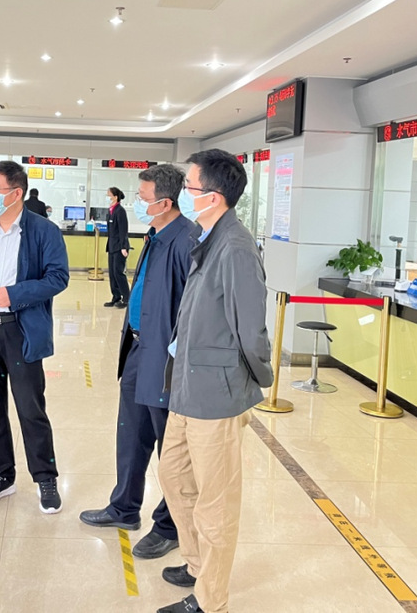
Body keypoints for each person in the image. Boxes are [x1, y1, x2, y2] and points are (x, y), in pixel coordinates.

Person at [157, 149, 273, 613]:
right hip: (187, 385)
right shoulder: (208, 237)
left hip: (216, 393)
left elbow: (251, 329)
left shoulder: (236, 249)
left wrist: (255, 380)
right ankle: (196, 562)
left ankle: (210, 600)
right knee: (173, 474)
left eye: (190, 187)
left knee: (215, 502)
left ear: (214, 196)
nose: (183, 193)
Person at [80, 164, 199, 560]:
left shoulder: (186, 241)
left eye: (143, 198)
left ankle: (170, 526)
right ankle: (124, 507)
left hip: (164, 359)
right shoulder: (154, 235)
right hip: (136, 350)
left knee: (171, 449)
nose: (137, 203)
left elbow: (191, 310)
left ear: (165, 203)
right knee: (131, 436)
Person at [0, 160, 70, 513]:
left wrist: (15, 294)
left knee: (30, 409)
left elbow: (58, 277)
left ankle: (46, 478)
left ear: (16, 193)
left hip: (20, 330)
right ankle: (1, 476)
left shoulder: (43, 231)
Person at [105, 186, 131, 308]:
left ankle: (126, 298)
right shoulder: (111, 210)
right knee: (112, 273)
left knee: (118, 273)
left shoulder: (120, 211)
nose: (107, 197)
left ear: (115, 197)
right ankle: (116, 296)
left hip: (119, 247)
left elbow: (123, 230)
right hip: (112, 246)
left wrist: (124, 247)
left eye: (109, 195)